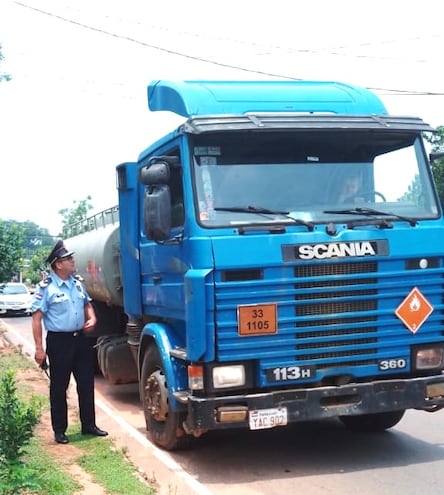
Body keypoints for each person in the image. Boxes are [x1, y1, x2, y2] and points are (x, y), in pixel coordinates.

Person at [31, 240, 108, 444]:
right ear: (58, 264)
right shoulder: (46, 288)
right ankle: (60, 430)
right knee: (59, 386)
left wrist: (92, 317)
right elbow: (36, 318)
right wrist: (39, 349)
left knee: (86, 383)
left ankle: (88, 425)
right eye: (68, 259)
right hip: (59, 342)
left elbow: (87, 304)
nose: (73, 261)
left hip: (80, 340)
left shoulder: (77, 282)